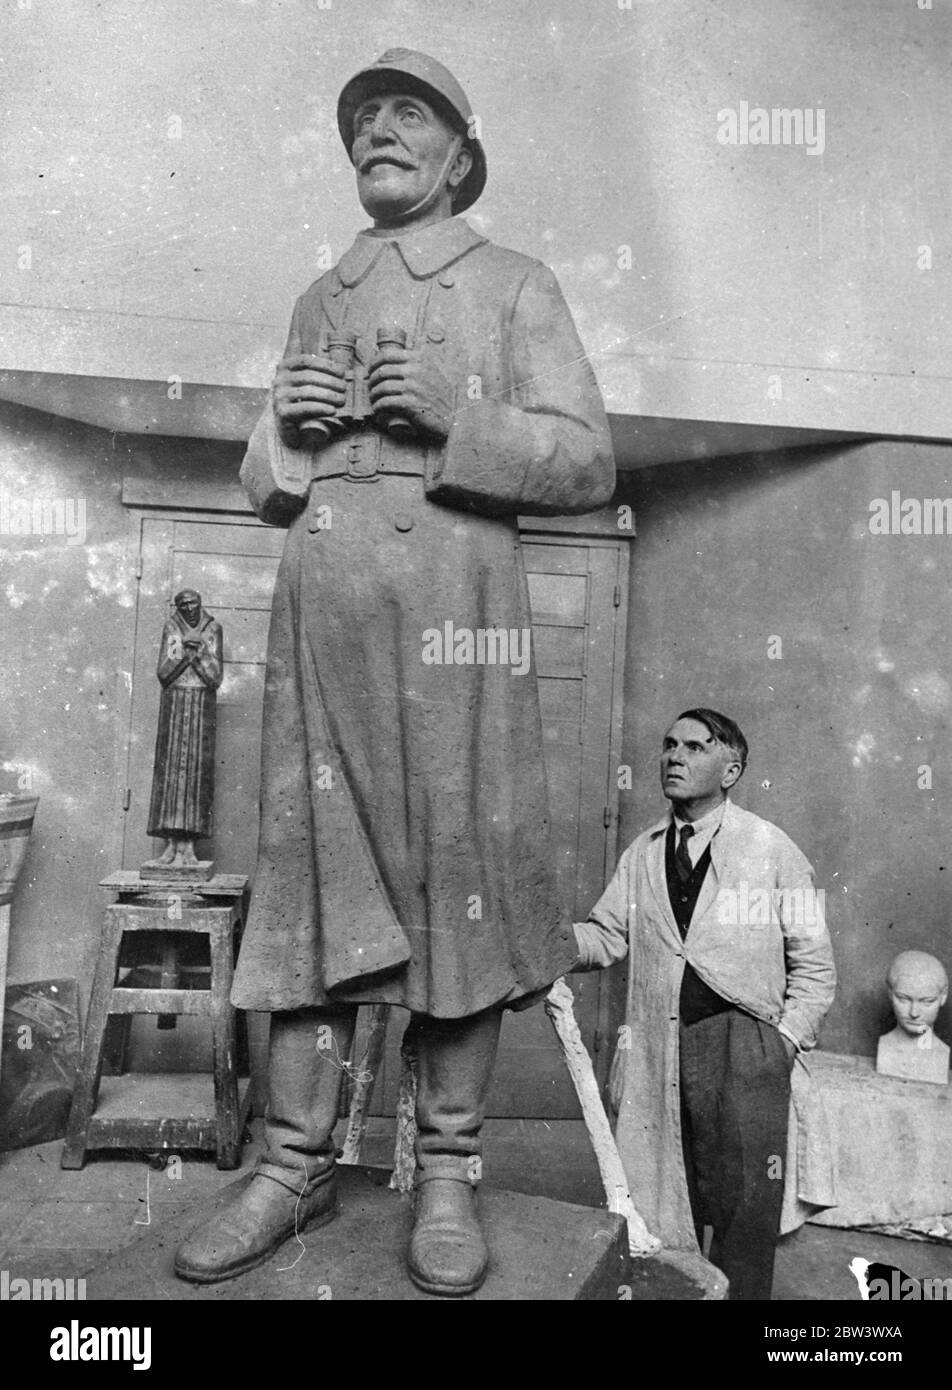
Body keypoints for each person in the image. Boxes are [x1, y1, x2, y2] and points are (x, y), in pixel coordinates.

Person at [174, 49, 614, 1296]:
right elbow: (266, 489)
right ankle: (293, 1163)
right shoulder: (320, 295)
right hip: (322, 623)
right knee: (313, 890)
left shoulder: (515, 285)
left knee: (451, 888)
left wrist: (453, 415)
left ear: (459, 152)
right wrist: (284, 431)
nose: (379, 133)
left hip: (453, 633)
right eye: (364, 119)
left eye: (406, 115)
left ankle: (447, 1170)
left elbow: (589, 462)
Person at [573, 708, 836, 1300]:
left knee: (744, 1214)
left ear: (731, 769)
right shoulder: (643, 852)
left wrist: (782, 1043)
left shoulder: (771, 848)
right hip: (660, 1046)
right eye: (669, 745)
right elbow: (607, 935)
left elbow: (815, 966)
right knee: (666, 1201)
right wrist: (553, 942)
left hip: (745, 1050)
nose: (674, 756)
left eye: (693, 747)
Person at [144, 589, 222, 871]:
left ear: (201, 604)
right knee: (171, 774)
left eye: (194, 603)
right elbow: (164, 673)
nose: (190, 608)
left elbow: (215, 676)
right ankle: (170, 846)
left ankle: (189, 847)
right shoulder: (172, 628)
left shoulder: (212, 628)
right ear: (177, 606)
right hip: (175, 703)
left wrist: (199, 650)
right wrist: (185, 650)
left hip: (201, 703)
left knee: (195, 774)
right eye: (184, 604)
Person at [876, 949, 949, 1084]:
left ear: (943, 997)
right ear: (890, 993)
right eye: (903, 999)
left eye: (927, 1001)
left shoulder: (941, 1054)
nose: (914, 1013)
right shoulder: (885, 1046)